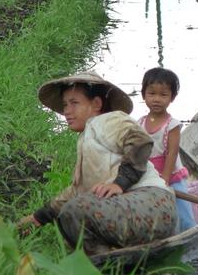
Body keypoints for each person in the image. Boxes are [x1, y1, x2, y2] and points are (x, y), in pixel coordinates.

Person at [17, 71, 177, 254]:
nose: (67, 111)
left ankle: (107, 265)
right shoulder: (88, 139)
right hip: (136, 211)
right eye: (65, 105)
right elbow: (75, 192)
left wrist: (120, 183)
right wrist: (38, 218)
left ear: (96, 104)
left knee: (74, 212)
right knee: (70, 215)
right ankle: (111, 266)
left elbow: (140, 141)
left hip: (153, 204)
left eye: (74, 103)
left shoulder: (108, 120)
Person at [139, 67, 196, 232]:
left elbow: (172, 153)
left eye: (163, 95)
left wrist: (164, 180)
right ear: (144, 95)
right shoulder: (139, 123)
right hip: (149, 176)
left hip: (170, 175)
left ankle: (189, 232)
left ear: (172, 98)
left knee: (183, 213)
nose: (157, 99)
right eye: (152, 94)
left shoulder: (172, 125)